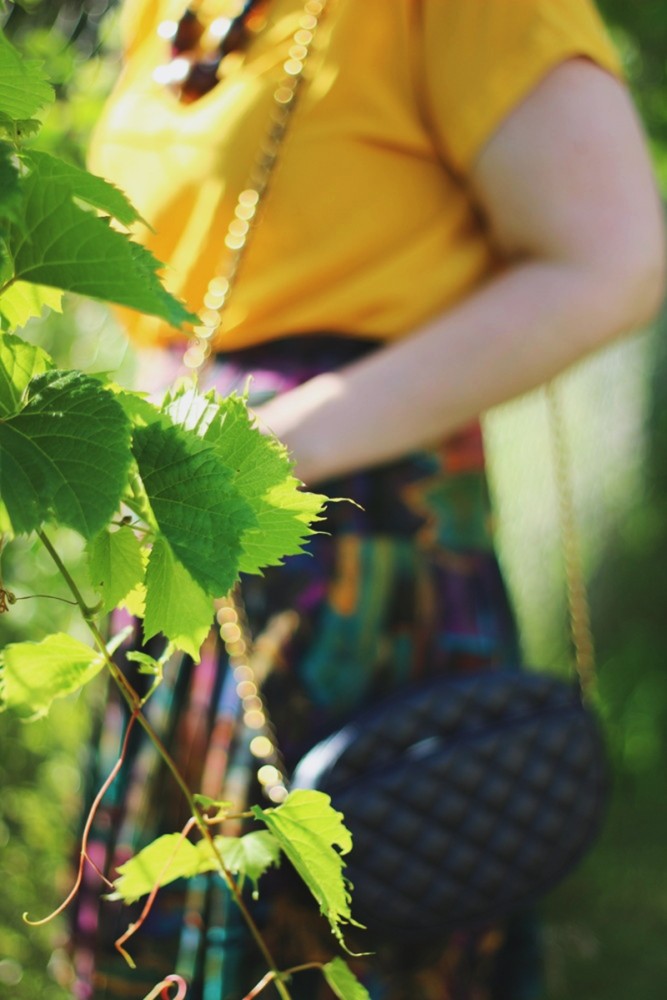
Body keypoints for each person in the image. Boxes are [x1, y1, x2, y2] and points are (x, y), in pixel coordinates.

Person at [71, 1, 665, 998]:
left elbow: (612, 260)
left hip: (352, 540)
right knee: (176, 924)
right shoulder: (161, 11)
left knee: (344, 926)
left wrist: (280, 443)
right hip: (180, 524)